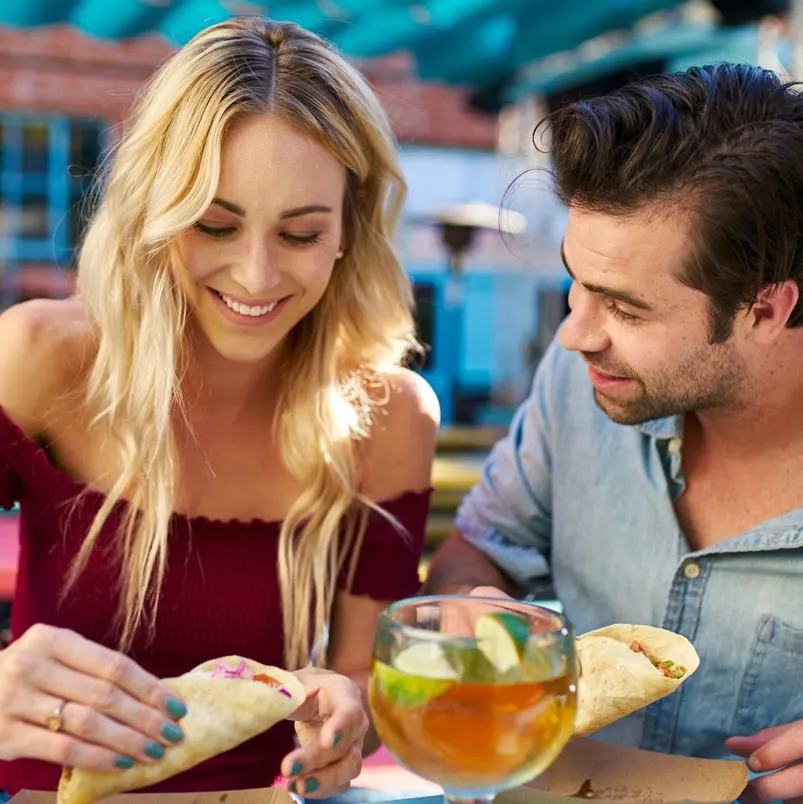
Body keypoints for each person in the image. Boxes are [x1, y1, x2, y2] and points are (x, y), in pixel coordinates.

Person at [0, 16, 439, 800]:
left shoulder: (391, 414)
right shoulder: (37, 358)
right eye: (215, 224)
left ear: (349, 229)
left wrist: (346, 715)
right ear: (154, 211)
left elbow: (359, 682)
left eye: (301, 233)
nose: (257, 274)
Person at [425, 63, 803, 804]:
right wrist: (471, 605)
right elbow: (479, 550)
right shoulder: (580, 385)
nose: (573, 336)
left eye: (625, 310)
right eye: (575, 283)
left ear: (765, 310)